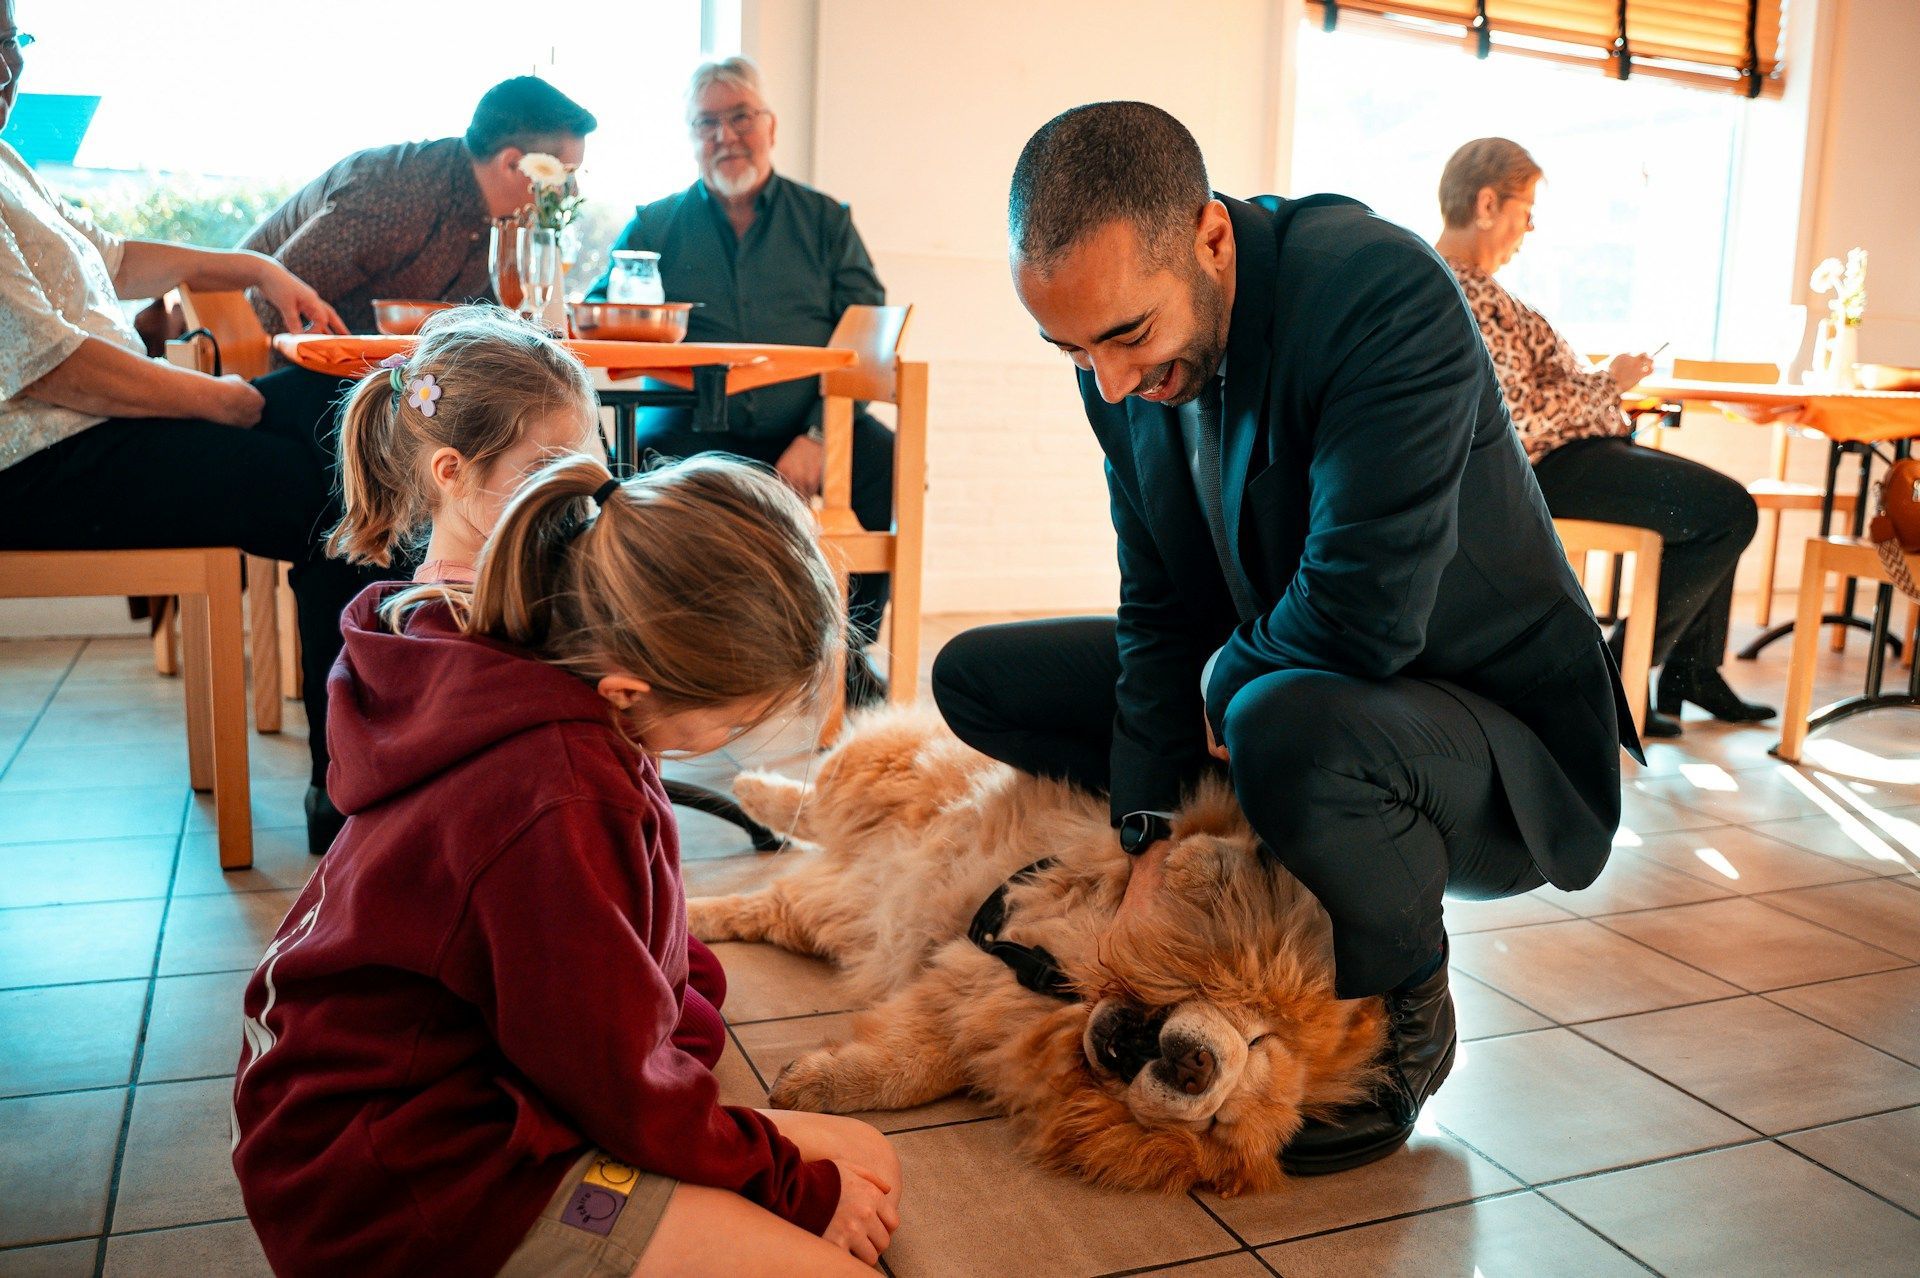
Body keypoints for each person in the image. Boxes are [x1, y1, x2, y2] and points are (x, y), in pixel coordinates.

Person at [932, 102, 1639, 1175]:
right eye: (1071, 351)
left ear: (1212, 241)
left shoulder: (1383, 293)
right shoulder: (1116, 367)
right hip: (1300, 694)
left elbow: (1363, 615)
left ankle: (1410, 1015)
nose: (1111, 384)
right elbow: (1160, 602)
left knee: (1273, 712)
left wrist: (1220, 680)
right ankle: (1259, 833)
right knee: (978, 679)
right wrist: (1147, 837)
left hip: (1492, 743)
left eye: (1125, 337)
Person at [231, 454, 902, 1277]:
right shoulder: (559, 794)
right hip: (404, 1183)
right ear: (630, 687)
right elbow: (615, 1083)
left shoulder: (556, 686)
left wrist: (700, 1091)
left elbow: (625, 976)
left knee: (862, 1154)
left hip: (436, 1107)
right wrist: (789, 1186)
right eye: (730, 724)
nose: (724, 745)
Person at [0, 2, 386, 857]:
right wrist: (218, 400)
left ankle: (373, 763)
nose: (4, 66)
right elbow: (53, 363)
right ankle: (356, 788)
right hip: (34, 463)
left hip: (88, 434)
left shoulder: (5, 161)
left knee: (349, 423)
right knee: (332, 499)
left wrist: (252, 264)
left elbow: (107, 257)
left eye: (9, 40)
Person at [321, 305, 731, 1061]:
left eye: (588, 466)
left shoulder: (418, 613)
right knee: (685, 1025)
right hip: (482, 936)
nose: (578, 497)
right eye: (549, 474)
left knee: (693, 983)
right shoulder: (480, 634)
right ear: (453, 473)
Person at [1433, 138, 1773, 736]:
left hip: (1570, 456)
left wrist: (1605, 386)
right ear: (1487, 203)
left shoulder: (1473, 286)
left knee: (1708, 505)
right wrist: (1608, 384)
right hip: (1547, 468)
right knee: (1726, 511)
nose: (1530, 227)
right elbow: (1520, 415)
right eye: (1526, 208)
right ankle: (1613, 678)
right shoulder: (1461, 290)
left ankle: (1684, 672)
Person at [584, 56, 892, 706]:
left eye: (740, 117)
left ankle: (849, 651)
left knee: (880, 456)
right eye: (707, 123)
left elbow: (868, 333)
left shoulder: (826, 222)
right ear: (691, 137)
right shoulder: (655, 224)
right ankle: (675, 658)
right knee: (637, 466)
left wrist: (818, 434)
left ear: (770, 126)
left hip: (804, 423)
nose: (725, 135)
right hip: (690, 421)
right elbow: (598, 317)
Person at [242, 76, 597, 337]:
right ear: (512, 165)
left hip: (378, 383)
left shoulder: (506, 224)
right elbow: (264, 308)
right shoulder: (393, 193)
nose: (572, 190)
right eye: (563, 174)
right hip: (271, 369)